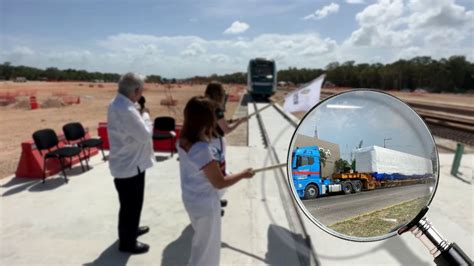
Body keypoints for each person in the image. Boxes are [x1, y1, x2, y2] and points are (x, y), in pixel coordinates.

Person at [178, 96, 254, 266]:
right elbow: (219, 182)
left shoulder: (183, 140)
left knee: (200, 243)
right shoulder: (202, 149)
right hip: (205, 203)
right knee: (207, 251)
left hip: (191, 198)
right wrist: (243, 174)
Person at [107, 72, 154, 254]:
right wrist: (147, 116)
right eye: (141, 91)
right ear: (135, 90)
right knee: (130, 206)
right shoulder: (125, 110)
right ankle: (127, 243)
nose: (141, 95)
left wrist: (139, 112)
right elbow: (144, 135)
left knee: (133, 204)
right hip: (129, 166)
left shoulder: (121, 104)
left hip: (132, 164)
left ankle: (131, 230)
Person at [204, 81, 248, 214]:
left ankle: (215, 199)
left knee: (212, 172)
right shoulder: (217, 109)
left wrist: (230, 121)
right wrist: (240, 122)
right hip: (216, 143)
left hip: (208, 141)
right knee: (218, 173)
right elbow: (226, 130)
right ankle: (213, 203)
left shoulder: (205, 105)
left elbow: (217, 123)